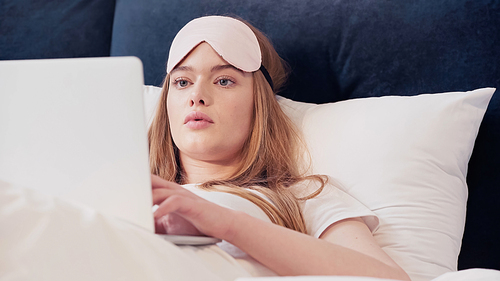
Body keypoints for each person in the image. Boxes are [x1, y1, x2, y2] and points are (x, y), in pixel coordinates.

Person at [149, 15, 410, 280]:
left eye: (224, 80)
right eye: (182, 82)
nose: (197, 96)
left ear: (258, 102)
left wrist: (225, 223)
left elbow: (389, 278)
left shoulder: (300, 196)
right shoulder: (127, 188)